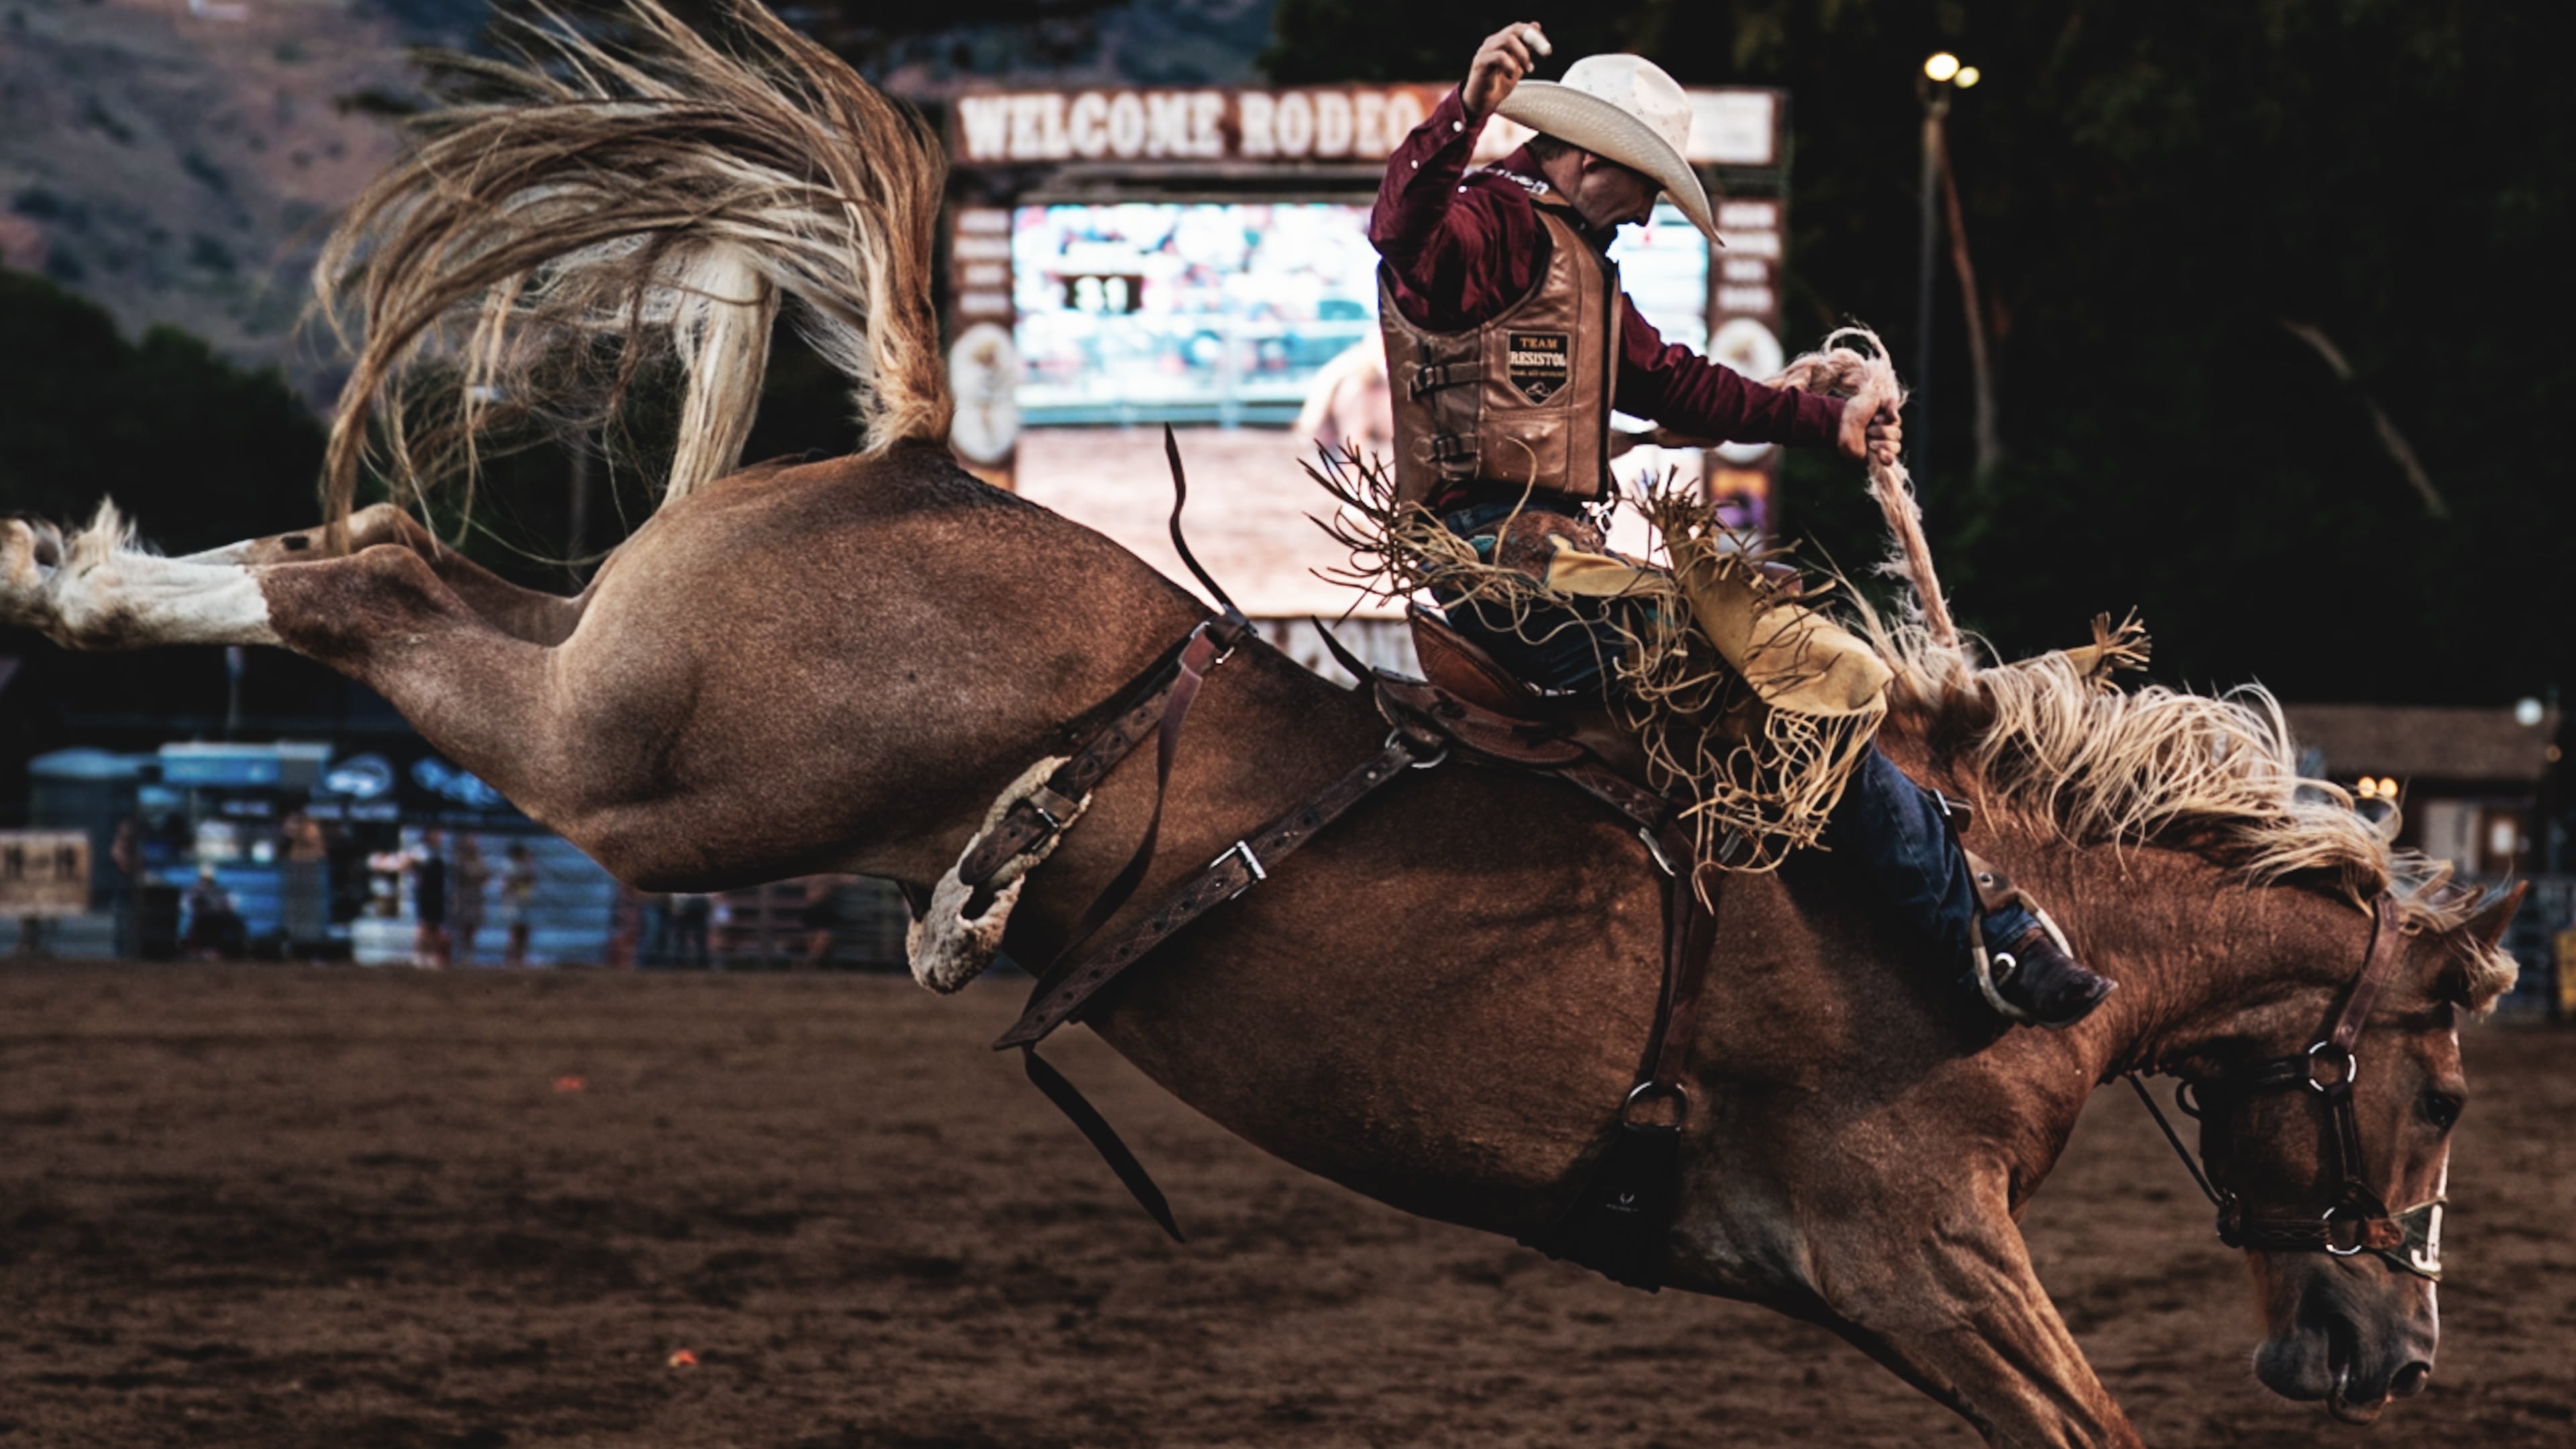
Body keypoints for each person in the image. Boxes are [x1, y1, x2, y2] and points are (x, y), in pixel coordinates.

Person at [1371, 25, 2110, 1027]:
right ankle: (1988, 940)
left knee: (1781, 676)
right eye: (1645, 192)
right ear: (1593, 162)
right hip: (1506, 562)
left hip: (1545, 561)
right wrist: (1467, 110)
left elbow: (1680, 383)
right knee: (1793, 686)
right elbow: (1402, 234)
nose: (1643, 219)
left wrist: (1825, 420)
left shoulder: (1572, 263)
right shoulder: (1490, 233)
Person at [449, 835, 490, 965]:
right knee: (461, 927)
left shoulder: (480, 860)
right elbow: (460, 878)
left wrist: (474, 879)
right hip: (462, 897)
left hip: (475, 897)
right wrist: (473, 879)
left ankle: (468, 957)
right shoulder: (459, 859)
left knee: (472, 928)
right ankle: (458, 956)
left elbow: (485, 877)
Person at [500, 842, 539, 965]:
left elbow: (532, 881)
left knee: (525, 931)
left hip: (525, 901)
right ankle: (511, 958)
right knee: (515, 930)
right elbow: (507, 885)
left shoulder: (527, 866)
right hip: (514, 902)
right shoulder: (509, 866)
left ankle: (522, 957)